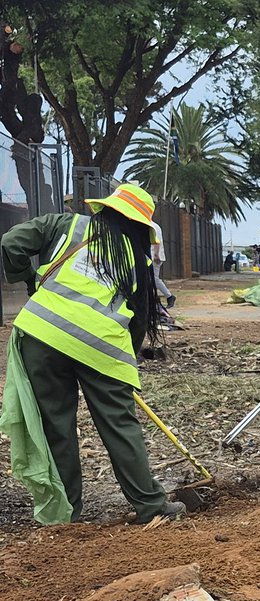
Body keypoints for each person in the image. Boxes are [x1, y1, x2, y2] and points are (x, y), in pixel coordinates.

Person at [0, 183, 185, 524]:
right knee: (119, 425)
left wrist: (27, 279)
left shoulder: (64, 225)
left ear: (105, 209)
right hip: (101, 346)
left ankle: (65, 513)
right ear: (140, 225)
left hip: (42, 334)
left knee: (57, 425)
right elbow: (139, 319)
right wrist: (122, 362)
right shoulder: (137, 260)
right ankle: (150, 505)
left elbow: (10, 242)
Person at [149, 220, 176, 308]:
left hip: (154, 256)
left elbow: (156, 242)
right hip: (153, 255)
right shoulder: (155, 225)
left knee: (154, 278)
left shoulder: (152, 226)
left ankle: (169, 296)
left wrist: (156, 255)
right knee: (152, 278)